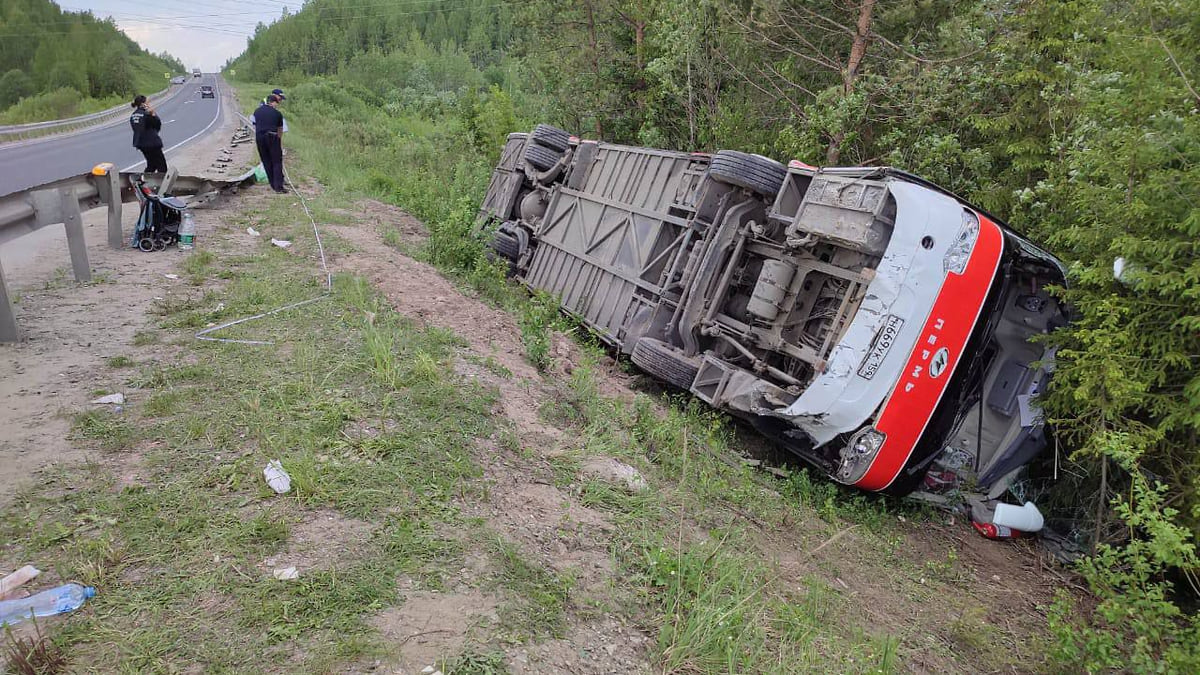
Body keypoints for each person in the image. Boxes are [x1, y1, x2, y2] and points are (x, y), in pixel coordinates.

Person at [253, 93, 287, 193]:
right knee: (276, 162)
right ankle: (279, 187)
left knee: (266, 161)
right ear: (273, 102)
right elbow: (280, 129)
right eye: (277, 103)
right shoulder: (277, 114)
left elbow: (255, 124)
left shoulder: (257, 111)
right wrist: (279, 140)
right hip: (272, 137)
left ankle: (272, 184)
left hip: (259, 138)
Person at [129, 95, 167, 173]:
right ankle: (162, 183)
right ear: (143, 104)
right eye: (147, 102)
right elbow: (157, 125)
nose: (149, 104)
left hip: (140, 143)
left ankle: (142, 182)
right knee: (162, 166)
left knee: (151, 165)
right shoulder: (147, 114)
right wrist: (153, 114)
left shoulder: (133, 115)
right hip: (152, 143)